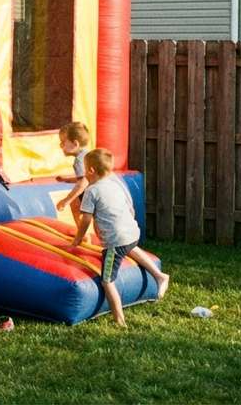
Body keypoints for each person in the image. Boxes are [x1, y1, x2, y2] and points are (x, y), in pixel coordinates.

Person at [70, 149, 171, 327]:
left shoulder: (91, 191)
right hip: (132, 233)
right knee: (131, 247)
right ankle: (159, 275)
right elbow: (126, 206)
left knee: (107, 280)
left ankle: (120, 321)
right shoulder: (113, 184)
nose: (84, 172)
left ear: (91, 171)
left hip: (115, 242)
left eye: (85, 169)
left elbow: (85, 219)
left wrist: (78, 239)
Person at [55, 122, 92, 218]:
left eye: (63, 142)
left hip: (93, 194)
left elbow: (83, 183)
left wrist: (66, 200)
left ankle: (82, 232)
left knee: (74, 203)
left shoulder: (79, 160)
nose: (60, 146)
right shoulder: (88, 154)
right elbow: (87, 177)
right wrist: (68, 179)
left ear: (75, 144)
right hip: (99, 192)